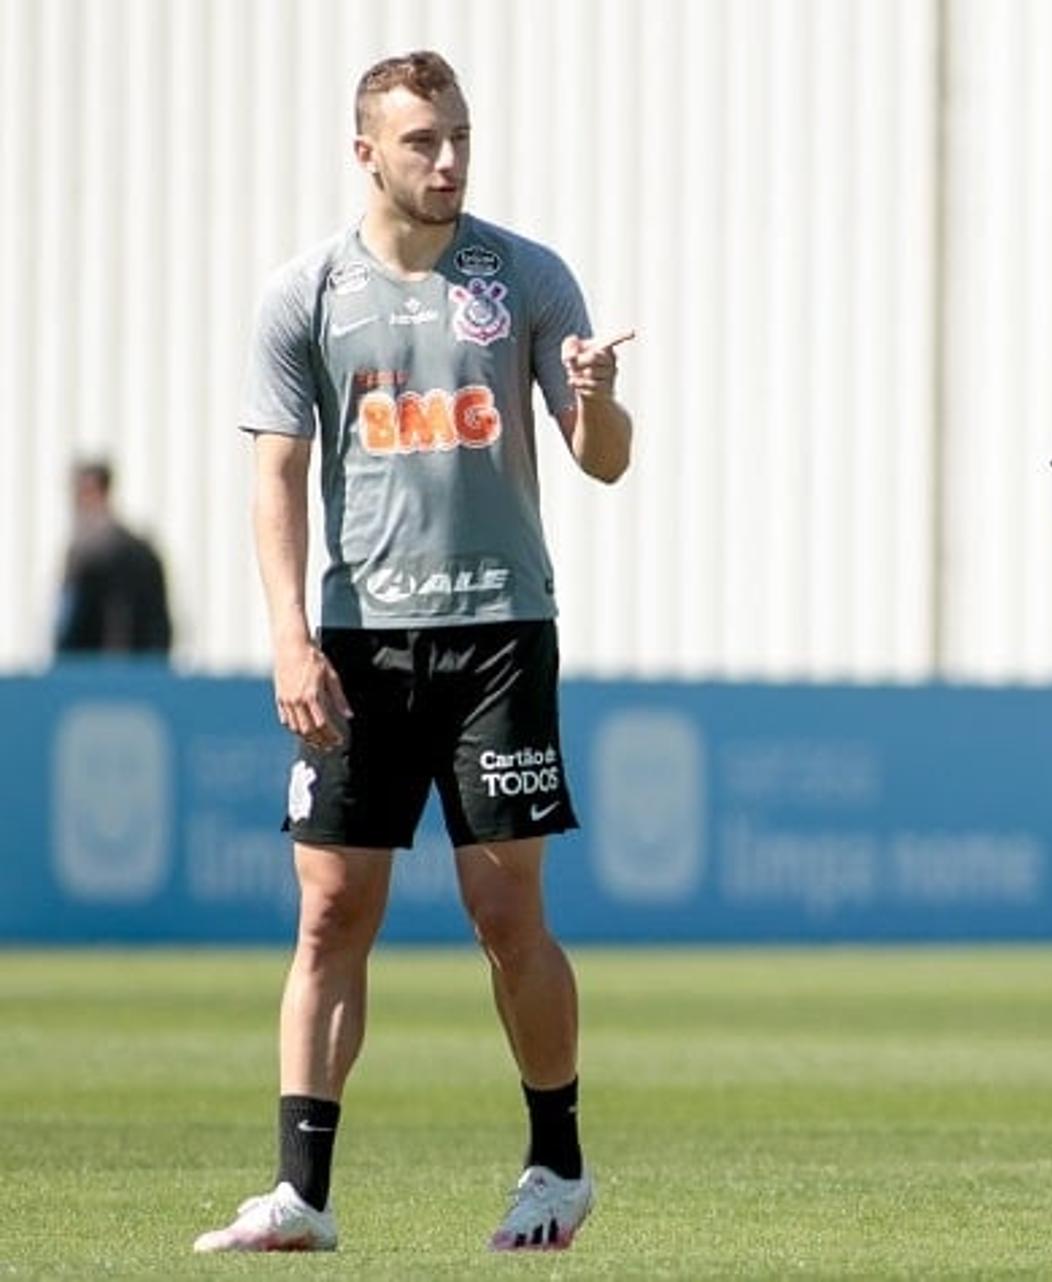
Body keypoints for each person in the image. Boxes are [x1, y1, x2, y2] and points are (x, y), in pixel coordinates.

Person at [194, 50, 634, 1255]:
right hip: (359, 641)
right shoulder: (308, 294)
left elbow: (603, 457)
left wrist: (594, 397)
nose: (447, 162)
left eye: (459, 138)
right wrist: (289, 635)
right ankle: (302, 1196)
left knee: (506, 909)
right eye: (422, 142)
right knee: (332, 910)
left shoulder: (524, 275)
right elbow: (275, 476)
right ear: (366, 153)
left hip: (500, 630)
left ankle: (558, 1166)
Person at [54, 459, 173, 658]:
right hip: (82, 670)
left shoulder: (131, 553)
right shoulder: (79, 552)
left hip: (121, 672)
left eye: (85, 494)